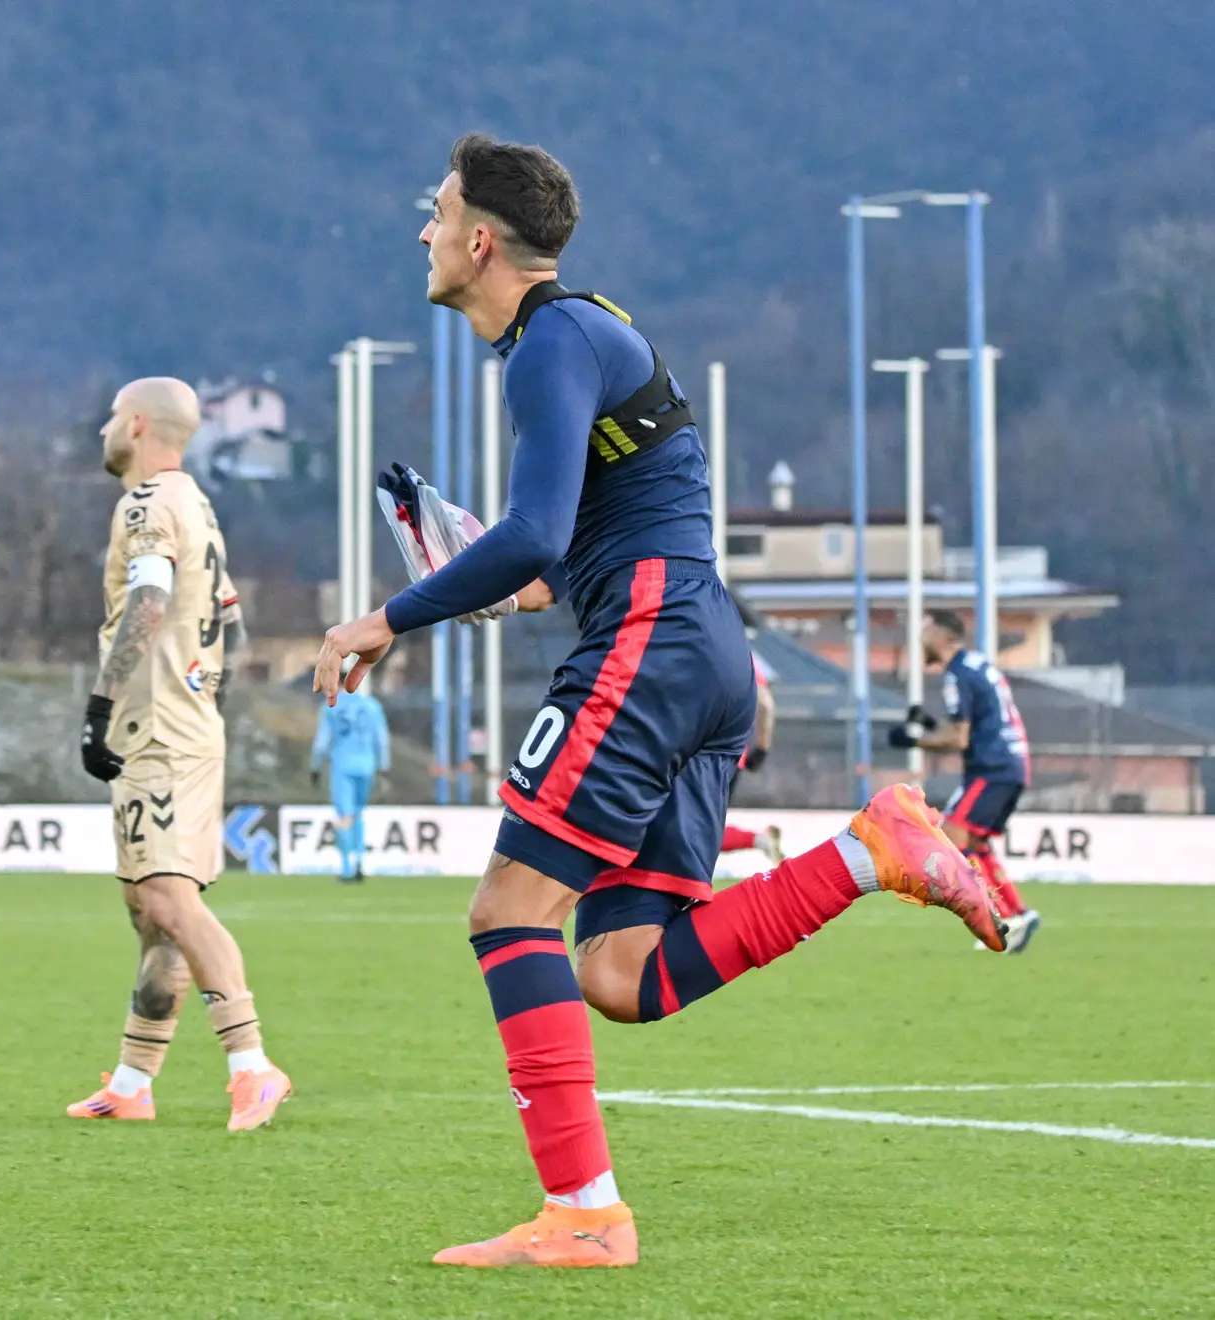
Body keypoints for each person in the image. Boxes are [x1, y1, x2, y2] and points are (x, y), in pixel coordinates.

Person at [313, 134, 1001, 1268]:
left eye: (434, 212)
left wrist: (391, 616)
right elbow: (552, 556)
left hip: (649, 639)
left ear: (481, 238)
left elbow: (541, 535)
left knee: (507, 915)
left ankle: (584, 1216)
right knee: (618, 975)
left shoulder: (549, 343)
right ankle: (872, 851)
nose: (421, 231)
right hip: (698, 651)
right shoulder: (580, 337)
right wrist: (501, 581)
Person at [68, 376, 293, 1132]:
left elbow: (152, 599)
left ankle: (253, 1065)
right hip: (186, 721)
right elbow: (226, 610)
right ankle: (134, 1080)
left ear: (135, 425)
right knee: (150, 911)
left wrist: (103, 703)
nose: (102, 430)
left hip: (156, 726)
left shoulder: (146, 503)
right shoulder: (197, 502)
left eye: (109, 418)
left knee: (168, 899)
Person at [889, 609, 1041, 952]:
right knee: (975, 845)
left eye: (925, 630)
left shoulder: (957, 674)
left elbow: (959, 738)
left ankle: (1002, 920)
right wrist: (929, 725)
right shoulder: (976, 665)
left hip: (991, 768)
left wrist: (912, 741)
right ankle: (1018, 912)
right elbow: (976, 726)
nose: (920, 638)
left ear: (943, 636)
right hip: (1011, 765)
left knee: (951, 843)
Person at [309, 686, 392, 881]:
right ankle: (360, 861)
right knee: (358, 813)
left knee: (344, 815)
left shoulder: (331, 706)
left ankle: (347, 867)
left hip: (343, 765)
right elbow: (381, 740)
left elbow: (322, 742)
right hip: (367, 765)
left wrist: (315, 767)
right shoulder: (372, 706)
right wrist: (384, 767)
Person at [718, 652, 784, 862]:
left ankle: (756, 839)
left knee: (693, 825)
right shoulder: (742, 654)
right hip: (732, 757)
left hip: (693, 755)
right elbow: (765, 704)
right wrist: (762, 748)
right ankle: (757, 839)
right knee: (706, 824)